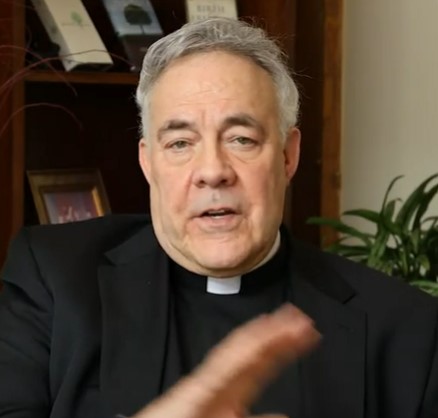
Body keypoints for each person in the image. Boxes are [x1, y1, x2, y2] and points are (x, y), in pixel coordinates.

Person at [0, 17, 437, 418]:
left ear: (288, 156)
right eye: (180, 143)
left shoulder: (407, 329)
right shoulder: (54, 280)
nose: (212, 171)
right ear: (148, 163)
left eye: (241, 139)